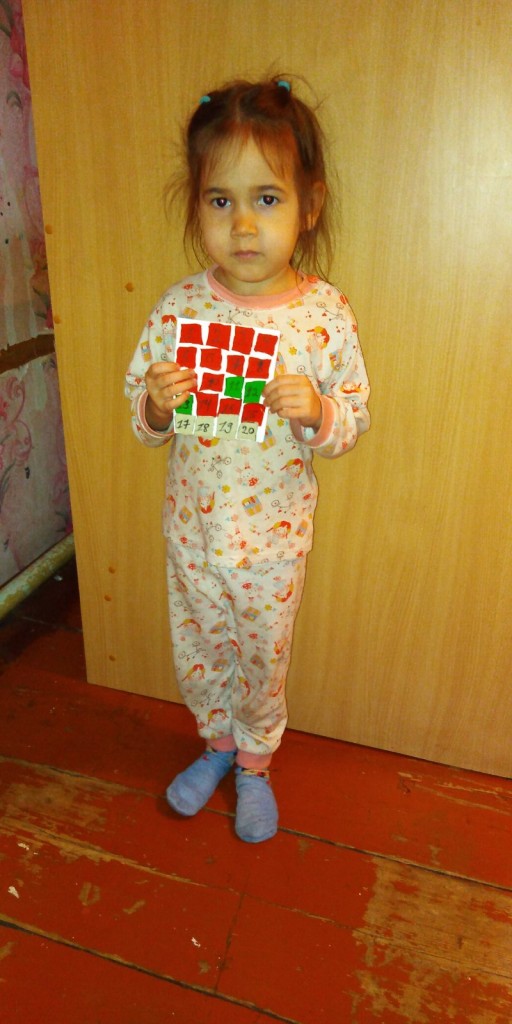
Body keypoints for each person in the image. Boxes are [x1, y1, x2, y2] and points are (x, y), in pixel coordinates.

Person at [125, 76, 370, 844]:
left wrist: (317, 413)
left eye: (266, 198)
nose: (241, 224)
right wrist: (157, 405)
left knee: (263, 656)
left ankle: (255, 763)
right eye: (219, 200)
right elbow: (143, 420)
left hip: (272, 545)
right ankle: (217, 746)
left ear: (309, 205)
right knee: (200, 648)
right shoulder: (179, 309)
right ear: (196, 206)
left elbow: (352, 420)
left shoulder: (323, 314)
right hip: (193, 534)